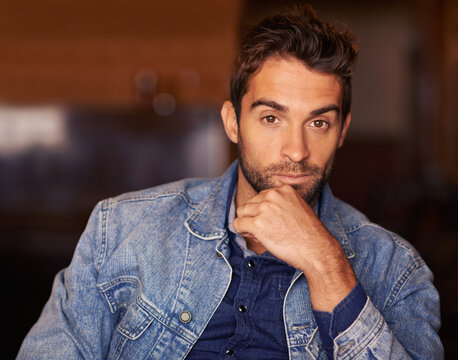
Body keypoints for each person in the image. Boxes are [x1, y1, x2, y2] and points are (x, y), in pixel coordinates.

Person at [17, 5, 442, 360]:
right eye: (272, 118)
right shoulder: (122, 227)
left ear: (343, 130)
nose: (296, 150)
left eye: (318, 122)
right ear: (233, 123)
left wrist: (324, 262)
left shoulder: (395, 269)